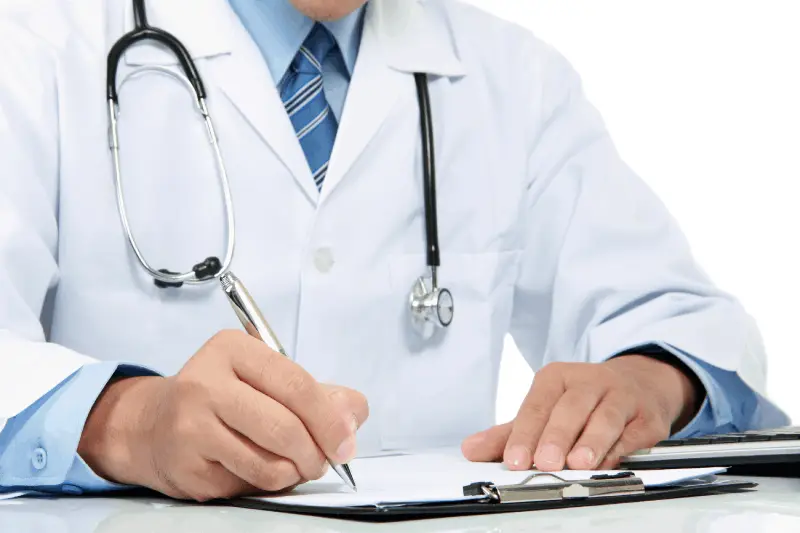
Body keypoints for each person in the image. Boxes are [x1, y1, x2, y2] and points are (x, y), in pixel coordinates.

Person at [0, 0, 788, 502]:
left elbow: (690, 321)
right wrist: (126, 422)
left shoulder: (511, 77)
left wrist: (647, 379)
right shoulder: (37, 45)